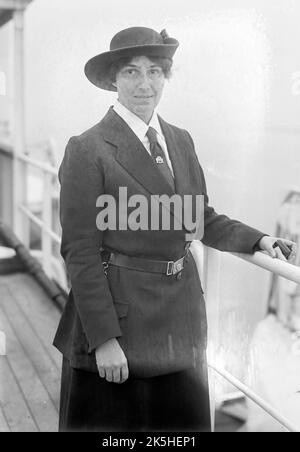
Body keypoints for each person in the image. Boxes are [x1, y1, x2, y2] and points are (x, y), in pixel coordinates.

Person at [53, 26, 296, 432]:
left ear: (166, 76)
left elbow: (198, 218)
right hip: (121, 323)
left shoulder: (180, 140)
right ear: (113, 79)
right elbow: (80, 252)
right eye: (131, 72)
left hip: (179, 321)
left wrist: (260, 239)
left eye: (154, 71)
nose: (144, 84)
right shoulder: (88, 148)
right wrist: (104, 339)